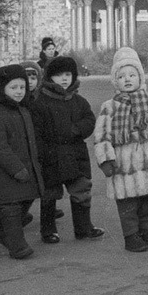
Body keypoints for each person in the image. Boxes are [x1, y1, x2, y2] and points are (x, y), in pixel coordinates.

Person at [93, 47, 148, 253]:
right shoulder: (109, 106)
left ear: (140, 77)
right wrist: (106, 159)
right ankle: (131, 235)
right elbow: (102, 135)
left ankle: (144, 229)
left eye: (132, 75)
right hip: (124, 164)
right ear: (115, 81)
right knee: (128, 203)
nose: (127, 79)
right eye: (121, 76)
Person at [31, 55, 103, 244]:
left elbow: (89, 120)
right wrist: (41, 152)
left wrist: (76, 129)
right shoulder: (40, 102)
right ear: (49, 78)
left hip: (75, 154)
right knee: (50, 194)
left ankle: (83, 227)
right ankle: (48, 230)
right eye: (59, 75)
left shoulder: (78, 101)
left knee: (81, 190)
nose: (64, 79)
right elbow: (36, 131)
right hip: (51, 155)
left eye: (68, 74)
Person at [0, 64, 45, 260]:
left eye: (22, 87)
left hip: (25, 169)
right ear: (2, 89)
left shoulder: (23, 111)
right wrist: (16, 168)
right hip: (6, 174)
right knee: (12, 209)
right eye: (13, 88)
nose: (18, 92)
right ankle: (17, 246)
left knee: (25, 200)